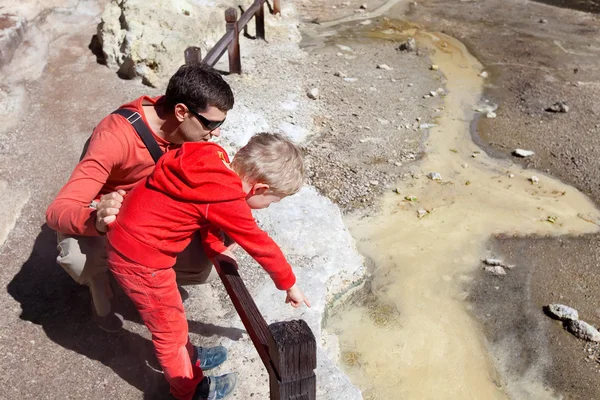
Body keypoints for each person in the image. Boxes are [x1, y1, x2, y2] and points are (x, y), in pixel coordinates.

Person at [105, 132, 310, 400]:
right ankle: (189, 389)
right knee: (170, 331)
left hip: (128, 236)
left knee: (174, 319)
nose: (267, 207)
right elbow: (259, 243)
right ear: (259, 189)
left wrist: (215, 248)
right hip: (141, 261)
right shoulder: (227, 197)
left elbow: (205, 211)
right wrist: (289, 283)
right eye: (270, 202)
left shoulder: (210, 157)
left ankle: (189, 357)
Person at [45, 63, 234, 336]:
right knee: (79, 258)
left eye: (221, 123)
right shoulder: (115, 137)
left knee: (206, 262)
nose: (217, 133)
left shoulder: (188, 128)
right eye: (212, 124)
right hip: (107, 216)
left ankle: (135, 279)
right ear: (181, 112)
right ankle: (102, 286)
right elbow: (57, 211)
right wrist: (95, 219)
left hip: (147, 213)